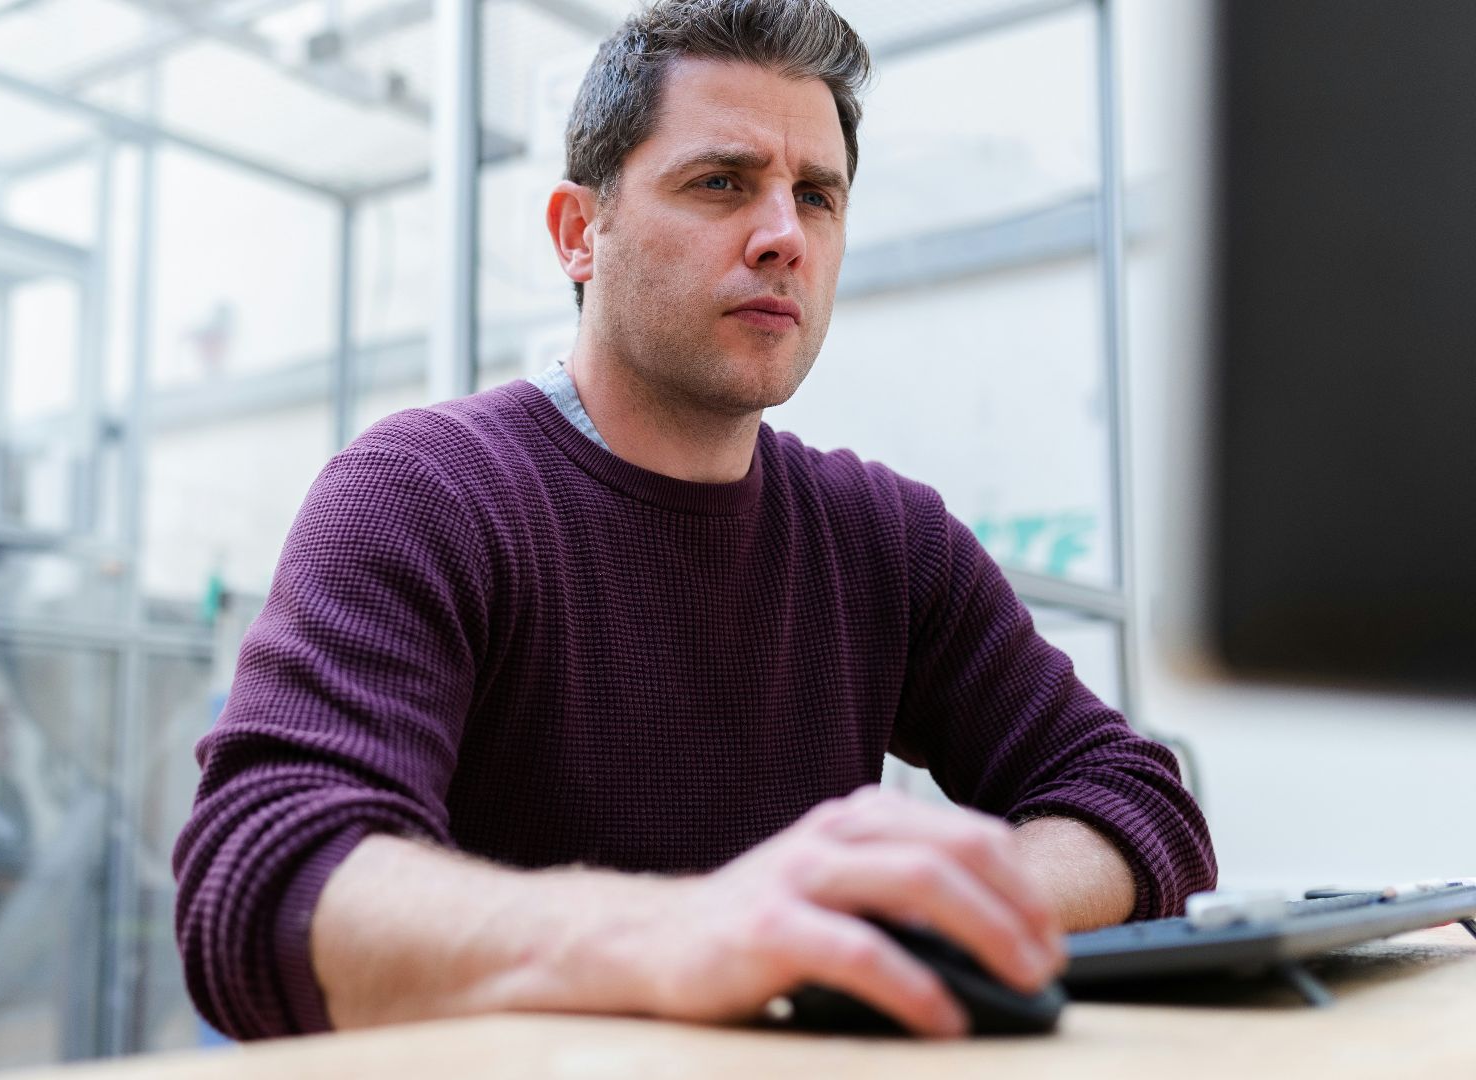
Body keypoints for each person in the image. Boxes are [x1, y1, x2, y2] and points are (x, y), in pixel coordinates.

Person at [173, 0, 1216, 1043]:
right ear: (581, 233)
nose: (780, 238)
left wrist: (926, 910)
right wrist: (686, 931)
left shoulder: (885, 539)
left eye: (816, 197)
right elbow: (265, 885)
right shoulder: (425, 493)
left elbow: (1134, 797)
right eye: (721, 182)